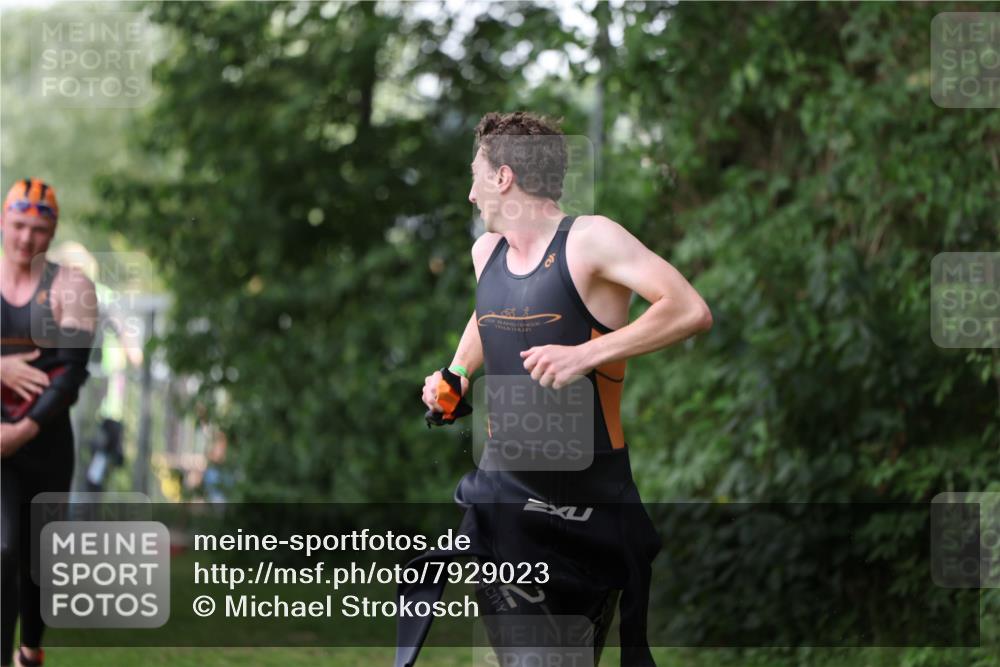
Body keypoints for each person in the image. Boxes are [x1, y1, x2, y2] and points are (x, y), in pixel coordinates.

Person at [401, 112, 713, 667]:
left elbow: (689, 309)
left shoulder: (591, 240)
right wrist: (456, 373)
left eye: (475, 175)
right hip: (506, 497)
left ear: (503, 177)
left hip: (588, 503)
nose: (470, 193)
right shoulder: (486, 255)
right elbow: (489, 314)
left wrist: (587, 354)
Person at [1, 179, 97, 667]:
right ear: (2, 221)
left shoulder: (71, 287)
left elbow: (70, 374)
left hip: (43, 439)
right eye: (18, 225)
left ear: (53, 230)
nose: (26, 239)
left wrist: (21, 431)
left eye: (38, 229)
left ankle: (29, 651)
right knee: (2, 548)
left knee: (39, 562)